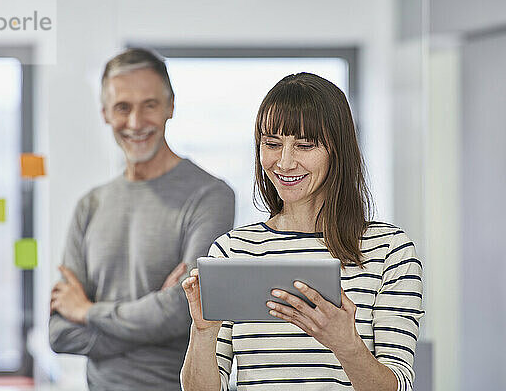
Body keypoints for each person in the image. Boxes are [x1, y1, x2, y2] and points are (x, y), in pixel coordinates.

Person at [181, 73, 424, 391]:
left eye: (305, 145)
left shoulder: (390, 250)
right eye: (271, 144)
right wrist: (202, 333)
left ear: (338, 151)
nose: (283, 162)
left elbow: (399, 385)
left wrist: (346, 345)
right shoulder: (232, 251)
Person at [49, 48, 235, 390]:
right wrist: (153, 318)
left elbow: (184, 311)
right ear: (105, 113)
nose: (135, 123)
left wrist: (89, 312)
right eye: (123, 107)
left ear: (171, 106)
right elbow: (60, 333)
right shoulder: (89, 206)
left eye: (149, 104)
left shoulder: (209, 196)